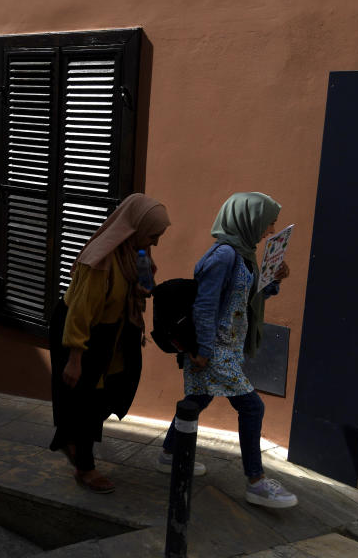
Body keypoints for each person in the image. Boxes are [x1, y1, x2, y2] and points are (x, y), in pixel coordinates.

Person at [156, 192, 298, 508]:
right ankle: (256, 482)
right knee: (252, 408)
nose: (270, 229)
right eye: (267, 221)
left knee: (198, 398)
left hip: (228, 348)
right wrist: (203, 349)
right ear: (247, 219)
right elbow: (205, 306)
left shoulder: (244, 255)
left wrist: (274, 281)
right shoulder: (222, 256)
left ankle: (169, 454)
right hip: (215, 349)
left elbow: (244, 300)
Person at [49, 193, 171, 494]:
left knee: (115, 388)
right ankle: (85, 466)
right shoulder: (100, 261)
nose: (154, 242)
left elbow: (139, 289)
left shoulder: (135, 253)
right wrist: (75, 358)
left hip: (113, 332)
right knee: (86, 397)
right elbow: (80, 311)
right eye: (152, 235)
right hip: (81, 333)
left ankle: (73, 440)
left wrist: (142, 287)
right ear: (137, 227)